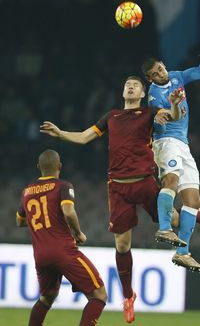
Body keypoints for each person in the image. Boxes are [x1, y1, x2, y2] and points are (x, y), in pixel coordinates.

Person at [40, 76, 189, 323]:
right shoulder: (111, 117)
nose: (130, 87)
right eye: (127, 85)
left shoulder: (150, 112)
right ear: (123, 91)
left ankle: (195, 213)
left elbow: (173, 116)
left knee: (174, 220)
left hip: (144, 181)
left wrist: (173, 105)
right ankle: (129, 296)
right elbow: (85, 136)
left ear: (142, 93)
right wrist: (60, 134)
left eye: (135, 85)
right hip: (118, 187)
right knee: (121, 245)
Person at [141, 46, 200, 273]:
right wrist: (173, 105)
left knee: (193, 202)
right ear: (149, 79)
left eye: (161, 68)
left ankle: (182, 252)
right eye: (155, 74)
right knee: (171, 181)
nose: (161, 74)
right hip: (165, 142)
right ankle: (165, 228)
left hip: (183, 145)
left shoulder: (176, 77)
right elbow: (166, 117)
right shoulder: (154, 96)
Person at [16, 149, 107, 326]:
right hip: (63, 251)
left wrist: (43, 219)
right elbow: (68, 211)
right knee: (99, 294)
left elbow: (19, 221)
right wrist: (78, 233)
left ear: (38, 167)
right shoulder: (63, 186)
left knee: (46, 298)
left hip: (40, 255)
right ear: (59, 166)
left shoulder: (27, 192)